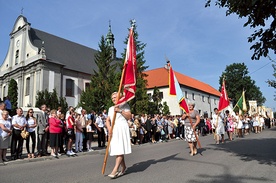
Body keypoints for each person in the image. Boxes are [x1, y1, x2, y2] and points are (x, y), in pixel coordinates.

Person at [106, 92, 132, 178]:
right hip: (114, 129)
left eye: (115, 97)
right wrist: (109, 128)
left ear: (120, 97)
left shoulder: (125, 106)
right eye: (112, 98)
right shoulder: (110, 108)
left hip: (122, 128)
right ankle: (123, 167)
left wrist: (120, 110)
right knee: (118, 149)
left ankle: (115, 170)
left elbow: (129, 116)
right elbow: (107, 120)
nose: (113, 99)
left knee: (120, 149)